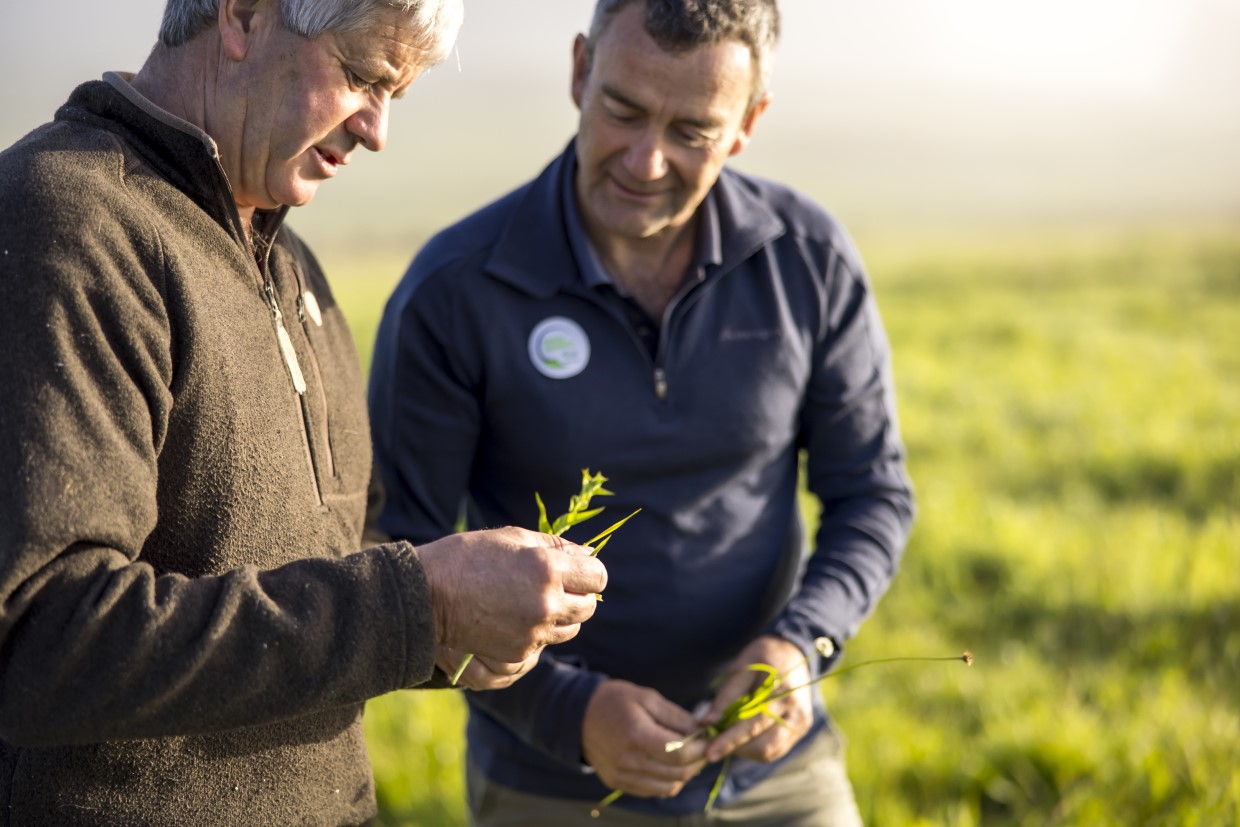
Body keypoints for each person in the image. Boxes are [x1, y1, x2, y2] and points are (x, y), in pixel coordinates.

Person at [0, 1, 609, 824]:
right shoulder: (66, 222)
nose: (378, 131)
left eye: (397, 94)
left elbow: (319, 568)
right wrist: (418, 603)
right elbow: (40, 639)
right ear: (243, 15)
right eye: (360, 76)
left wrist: (447, 632)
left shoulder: (295, 270)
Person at [368, 0, 914, 823]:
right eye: (623, 111)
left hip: (776, 770)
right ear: (580, 71)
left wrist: (802, 642)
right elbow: (402, 557)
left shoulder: (810, 261)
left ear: (748, 124)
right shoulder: (454, 291)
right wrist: (569, 711)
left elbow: (873, 494)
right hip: (550, 780)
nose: (646, 160)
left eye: (692, 131)